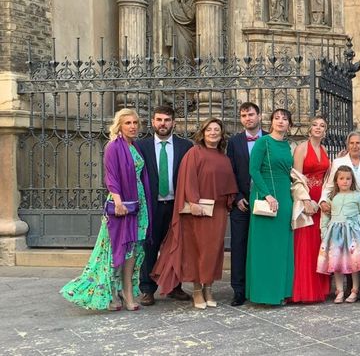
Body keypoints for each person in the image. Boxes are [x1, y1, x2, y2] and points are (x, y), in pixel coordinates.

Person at [62, 109, 151, 311]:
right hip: (121, 205)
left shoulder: (135, 146)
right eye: (128, 123)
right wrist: (118, 202)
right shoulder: (113, 147)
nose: (133, 126)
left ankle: (127, 291)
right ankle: (110, 292)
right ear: (119, 125)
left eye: (135, 122)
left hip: (139, 205)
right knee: (115, 248)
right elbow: (111, 177)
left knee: (133, 249)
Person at [150, 118, 238, 309]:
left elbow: (230, 184)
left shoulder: (224, 157)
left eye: (217, 130)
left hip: (218, 212)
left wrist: (230, 201)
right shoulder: (194, 153)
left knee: (213, 251)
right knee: (197, 250)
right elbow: (187, 179)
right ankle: (197, 290)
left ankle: (209, 288)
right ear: (203, 133)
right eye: (209, 130)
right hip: (198, 212)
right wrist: (193, 201)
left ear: (222, 134)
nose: (213, 133)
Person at [137, 105, 193, 306]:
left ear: (174, 123)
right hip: (152, 205)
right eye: (159, 120)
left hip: (176, 204)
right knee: (149, 246)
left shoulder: (185, 146)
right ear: (153, 122)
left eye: (167, 120)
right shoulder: (140, 146)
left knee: (176, 247)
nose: (163, 124)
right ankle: (147, 289)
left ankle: (174, 287)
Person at [246, 108, 295, 305]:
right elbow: (253, 170)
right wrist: (267, 195)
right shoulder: (262, 142)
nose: (280, 121)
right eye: (277, 118)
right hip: (265, 198)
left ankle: (279, 293)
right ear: (271, 122)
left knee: (282, 248)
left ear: (289, 125)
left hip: (284, 198)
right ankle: (263, 294)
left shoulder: (287, 146)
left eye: (285, 119)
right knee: (264, 249)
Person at [288, 115, 332, 303]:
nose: (318, 128)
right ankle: (303, 290)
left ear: (325, 131)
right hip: (306, 200)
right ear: (309, 128)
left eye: (322, 125)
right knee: (305, 243)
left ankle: (319, 288)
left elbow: (327, 177)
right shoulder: (301, 148)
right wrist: (305, 200)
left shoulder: (324, 149)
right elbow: (296, 177)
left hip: (320, 200)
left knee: (318, 244)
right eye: (315, 124)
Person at [226, 102, 265, 306]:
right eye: (243, 115)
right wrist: (237, 196)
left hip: (264, 201)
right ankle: (238, 290)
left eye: (251, 114)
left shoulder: (269, 139)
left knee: (262, 246)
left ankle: (260, 285)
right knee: (239, 245)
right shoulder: (234, 142)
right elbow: (229, 171)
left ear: (259, 116)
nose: (248, 118)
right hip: (241, 202)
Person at [317, 166, 360, 303]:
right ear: (336, 181)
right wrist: (324, 231)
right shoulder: (332, 197)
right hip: (335, 233)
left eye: (348, 178)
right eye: (341, 178)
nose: (345, 181)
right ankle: (339, 290)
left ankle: (354, 290)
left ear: (352, 180)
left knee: (355, 262)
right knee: (336, 262)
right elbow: (325, 217)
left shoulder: (357, 196)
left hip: (352, 233)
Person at [321, 130, 360, 208]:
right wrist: (323, 201)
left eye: (358, 143)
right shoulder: (338, 162)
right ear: (347, 145)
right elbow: (330, 186)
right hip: (344, 206)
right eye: (351, 143)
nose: (355, 146)